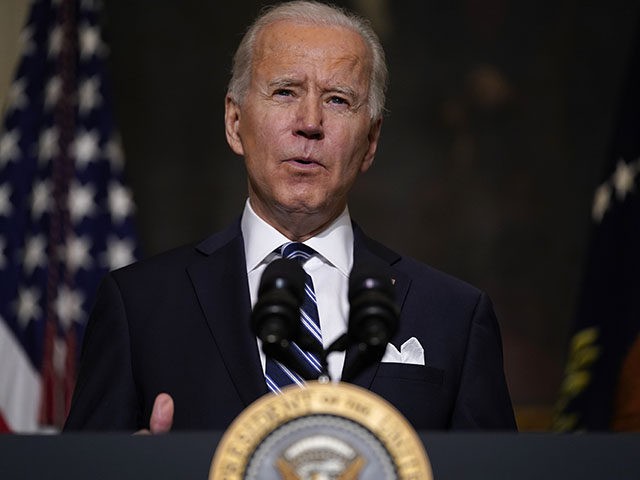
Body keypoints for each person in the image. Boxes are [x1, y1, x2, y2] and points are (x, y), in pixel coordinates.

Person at [64, 0, 516, 433]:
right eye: (285, 92)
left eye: (338, 100)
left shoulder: (453, 315)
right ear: (235, 123)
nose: (310, 122)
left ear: (371, 141)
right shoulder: (139, 305)